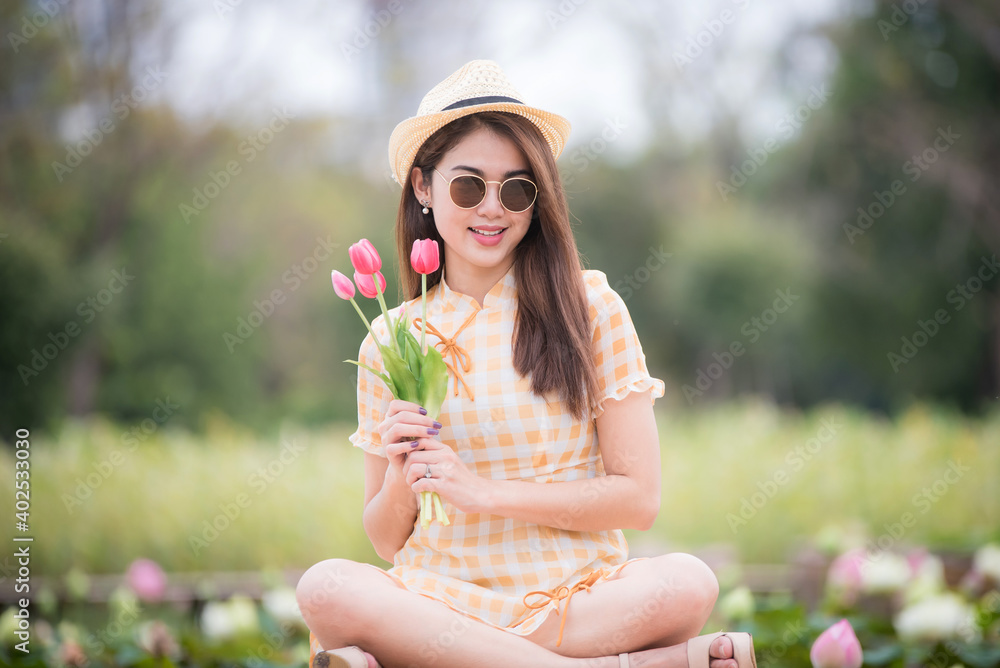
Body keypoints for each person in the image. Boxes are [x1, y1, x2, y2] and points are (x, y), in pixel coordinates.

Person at [296, 60, 757, 668]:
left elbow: (637, 500)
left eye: (517, 188)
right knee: (325, 587)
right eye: (468, 186)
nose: (493, 208)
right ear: (423, 187)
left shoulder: (590, 308)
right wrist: (404, 477)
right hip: (437, 599)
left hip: (575, 598)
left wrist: (483, 493)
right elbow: (385, 539)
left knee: (688, 582)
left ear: (538, 200)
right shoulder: (390, 335)